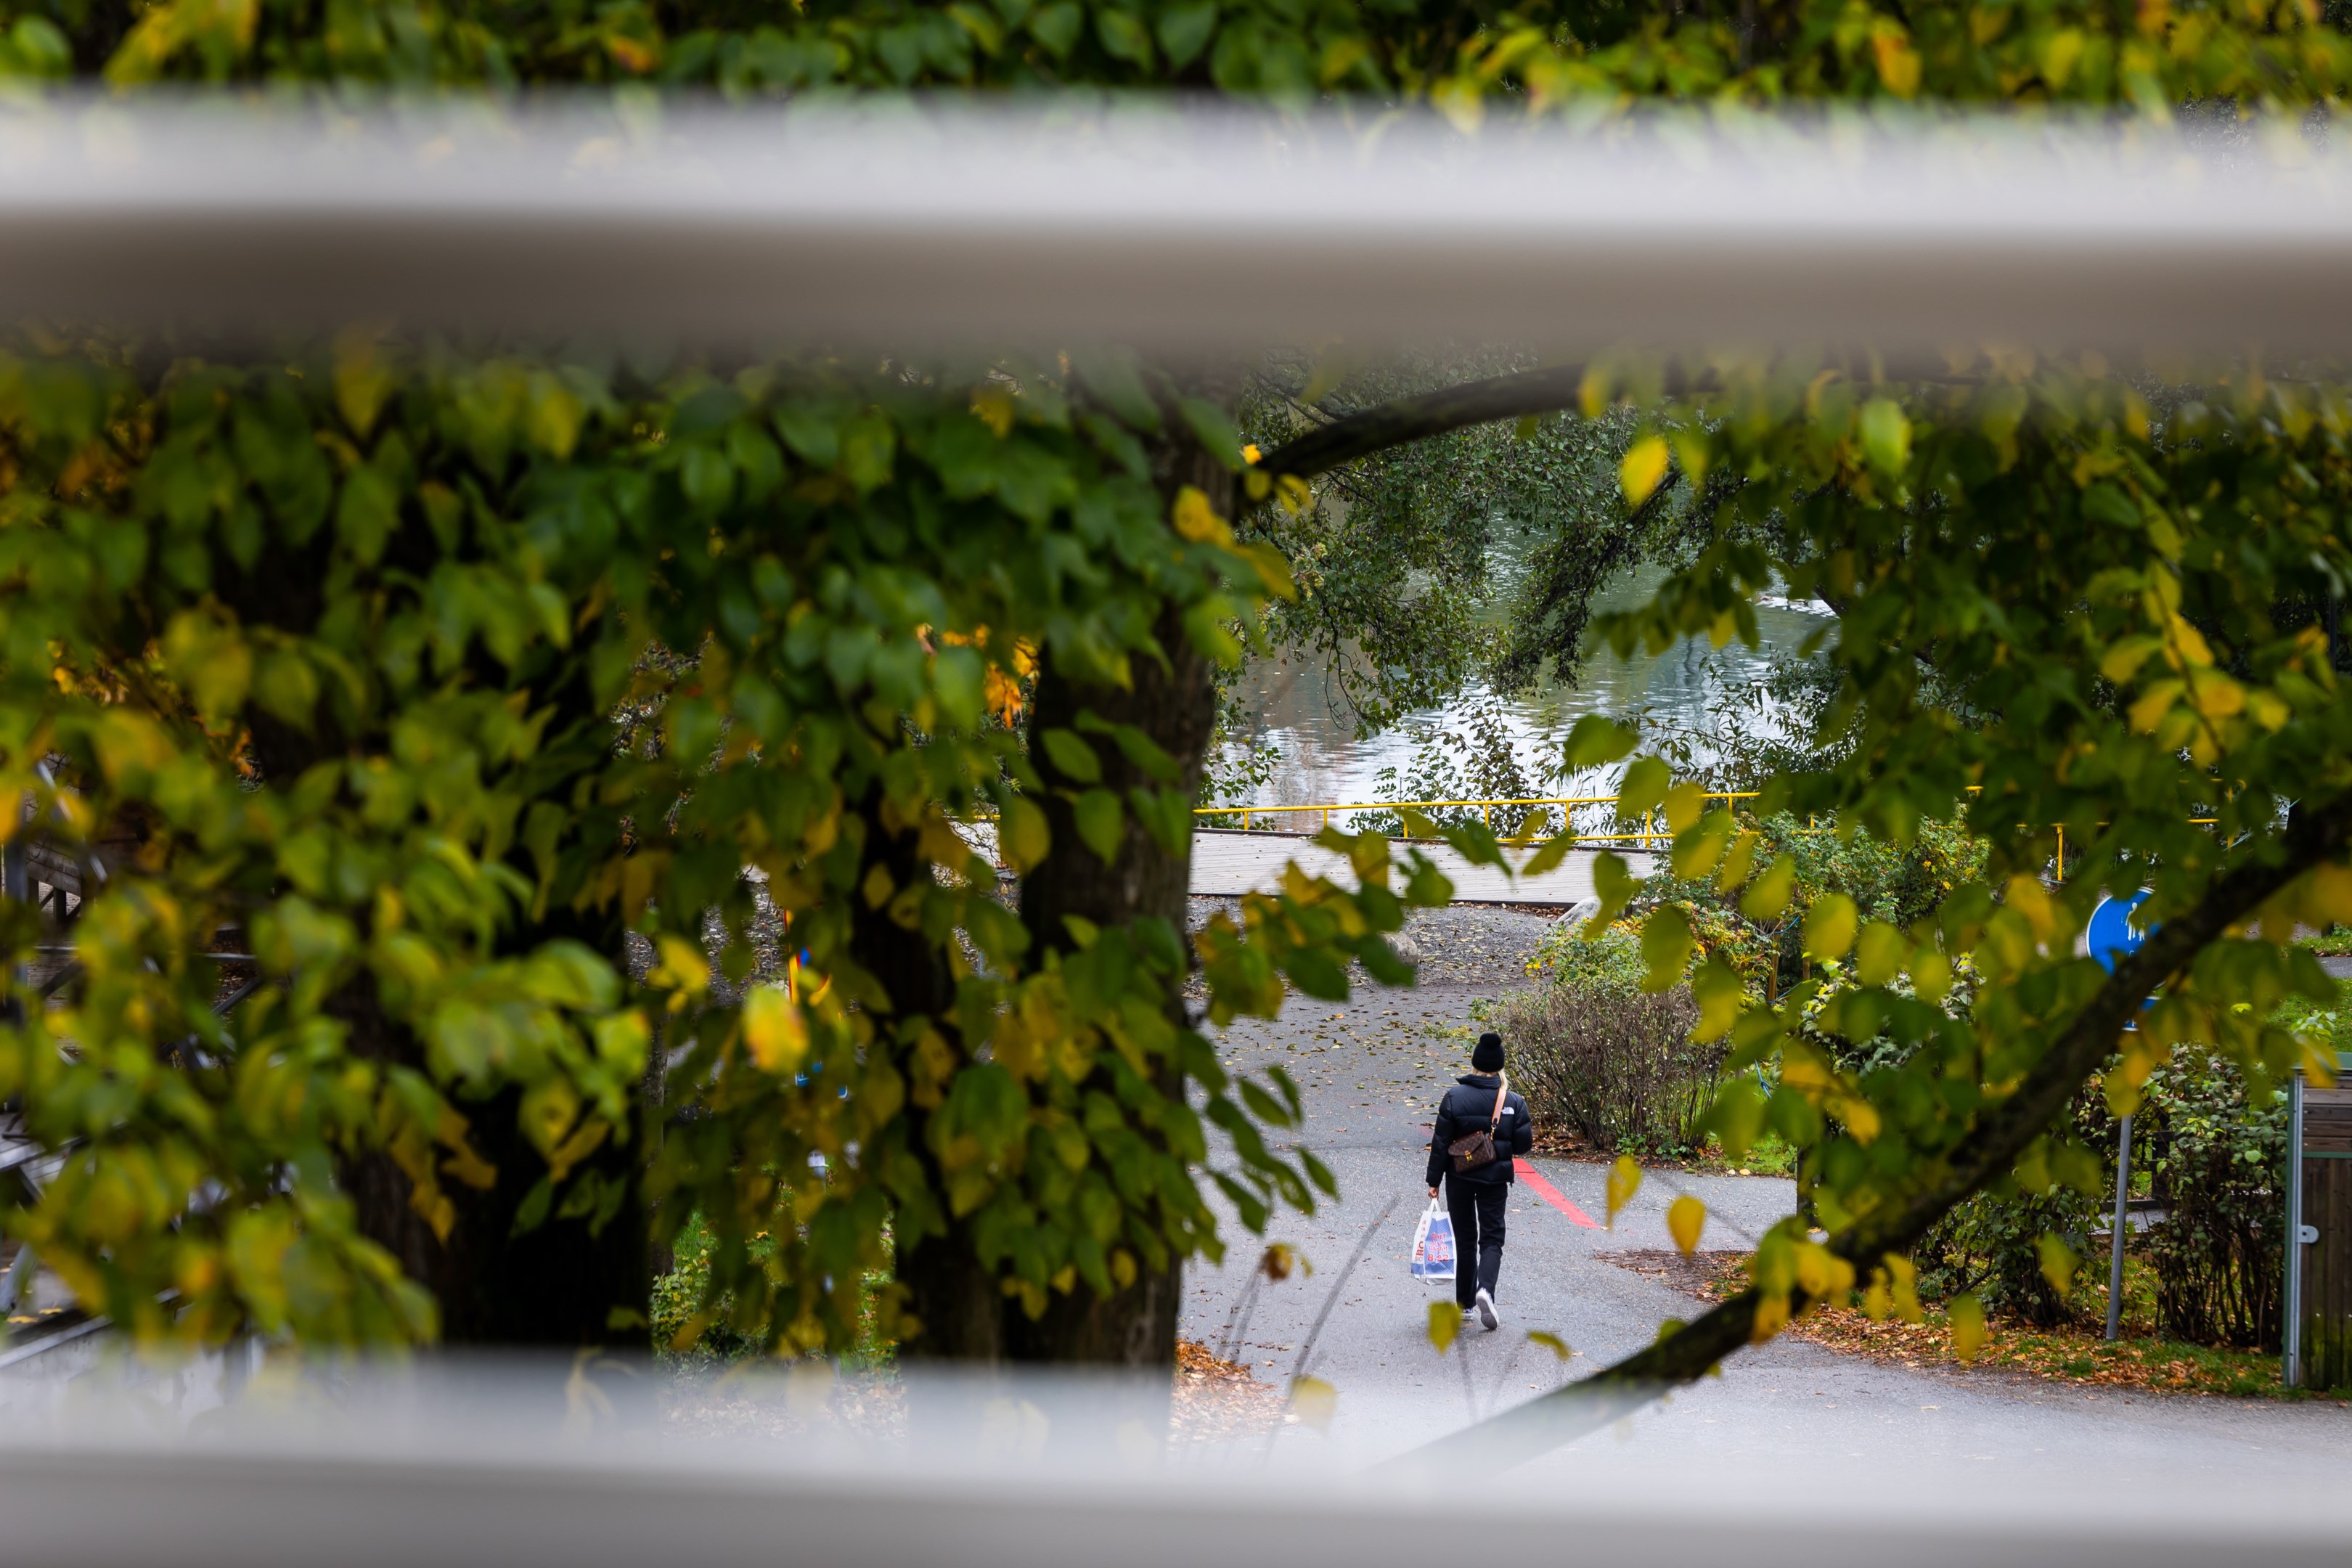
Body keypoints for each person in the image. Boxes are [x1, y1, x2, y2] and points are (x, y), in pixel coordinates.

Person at [1424, 1030, 1532, 1331]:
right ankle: (1486, 1290)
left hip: (1459, 1177)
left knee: (1465, 1240)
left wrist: (1433, 1180)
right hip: (1495, 1180)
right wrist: (1499, 1146)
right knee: (1492, 1237)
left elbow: (1441, 1143)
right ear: (1500, 1066)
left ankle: (1465, 1305)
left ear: (1474, 1063)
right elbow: (1523, 1146)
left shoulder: (1454, 1098)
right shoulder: (1513, 1101)